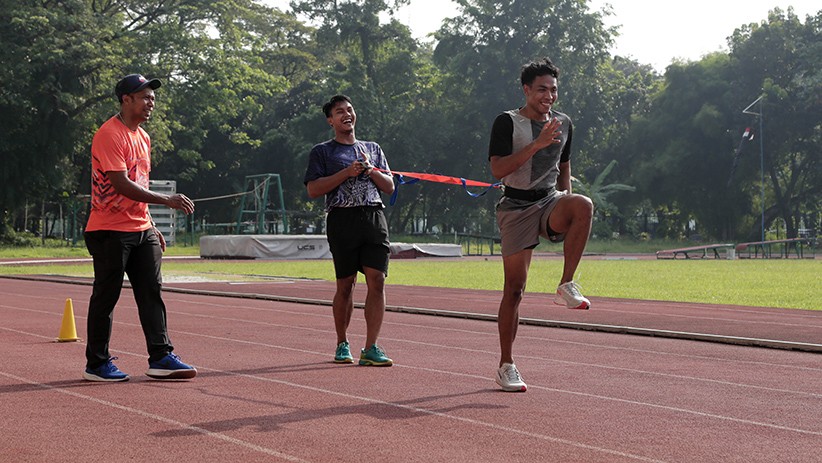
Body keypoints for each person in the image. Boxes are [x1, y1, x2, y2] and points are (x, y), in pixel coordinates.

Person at [488, 58, 594, 392]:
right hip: (516, 206)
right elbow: (497, 170)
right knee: (515, 289)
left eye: (553, 90)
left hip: (548, 200)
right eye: (541, 90)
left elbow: (565, 163)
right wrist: (536, 143)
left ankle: (566, 284)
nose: (549, 96)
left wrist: (566, 200)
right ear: (526, 90)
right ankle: (506, 364)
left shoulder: (564, 122)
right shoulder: (507, 122)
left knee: (584, 205)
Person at [83, 74, 197, 382]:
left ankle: (160, 356)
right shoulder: (110, 134)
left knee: (152, 292)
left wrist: (148, 223)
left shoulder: (143, 137)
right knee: (106, 296)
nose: (151, 103)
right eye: (145, 97)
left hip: (139, 227)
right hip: (108, 229)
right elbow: (121, 184)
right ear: (126, 99)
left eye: (152, 98)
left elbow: (140, 183)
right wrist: (167, 201)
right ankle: (97, 363)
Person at [304, 94, 396, 367]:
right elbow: (313, 189)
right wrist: (346, 173)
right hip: (342, 219)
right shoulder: (323, 152)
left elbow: (389, 186)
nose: (347, 114)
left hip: (373, 215)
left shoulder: (373, 148)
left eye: (350, 109)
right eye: (339, 111)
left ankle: (371, 346)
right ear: (330, 120)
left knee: (377, 280)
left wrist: (370, 171)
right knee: (346, 285)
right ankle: (342, 342)